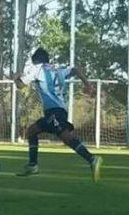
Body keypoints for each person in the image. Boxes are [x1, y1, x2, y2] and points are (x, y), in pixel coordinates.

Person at [14, 48, 102, 182]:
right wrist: (88, 86)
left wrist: (16, 78)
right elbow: (76, 69)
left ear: (35, 60)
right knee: (32, 131)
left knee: (66, 137)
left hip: (54, 111)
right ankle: (32, 165)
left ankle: (92, 159)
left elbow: (20, 85)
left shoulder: (37, 69)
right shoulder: (57, 68)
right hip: (60, 110)